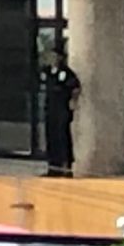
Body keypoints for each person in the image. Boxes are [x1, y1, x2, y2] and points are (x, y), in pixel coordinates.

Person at [40, 46, 80, 177]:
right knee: (51, 136)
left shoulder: (66, 73)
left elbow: (75, 87)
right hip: (51, 108)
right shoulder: (47, 72)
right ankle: (53, 166)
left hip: (62, 108)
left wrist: (72, 102)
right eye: (51, 56)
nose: (53, 59)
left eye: (55, 56)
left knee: (63, 136)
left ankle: (66, 166)